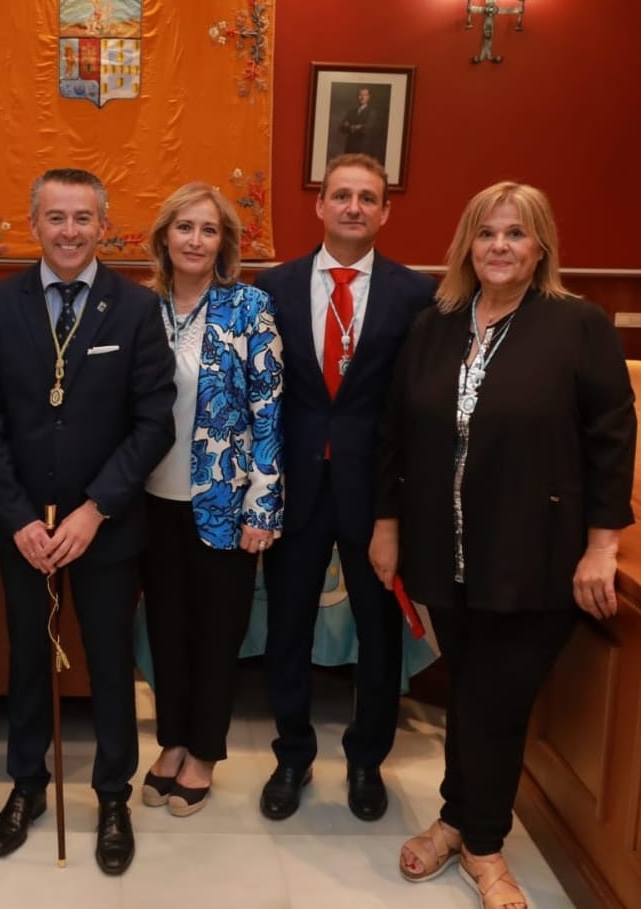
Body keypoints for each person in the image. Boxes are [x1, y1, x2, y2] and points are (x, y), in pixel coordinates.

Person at [370, 182, 635, 909]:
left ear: (540, 246)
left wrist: (603, 547)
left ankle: (483, 846)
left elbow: (612, 440)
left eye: (516, 233)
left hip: (535, 554)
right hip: (446, 553)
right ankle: (458, 820)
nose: (499, 246)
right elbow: (395, 432)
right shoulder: (435, 324)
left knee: (496, 700)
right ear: (467, 245)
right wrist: (387, 525)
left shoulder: (577, 325)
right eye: (486, 233)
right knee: (471, 691)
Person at [0, 168, 176, 876]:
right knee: (28, 658)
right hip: (24, 526)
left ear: (103, 226)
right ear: (34, 223)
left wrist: (95, 509)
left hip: (104, 526)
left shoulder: (135, 308)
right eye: (55, 217)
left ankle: (112, 795)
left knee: (111, 663)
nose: (69, 231)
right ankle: (26, 784)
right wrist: (18, 518)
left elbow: (154, 423)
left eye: (82, 217)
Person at [255, 153, 436, 823]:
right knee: (287, 627)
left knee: (379, 635)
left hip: (378, 493)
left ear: (385, 211)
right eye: (341, 195)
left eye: (367, 197)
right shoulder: (272, 286)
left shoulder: (416, 295)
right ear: (320, 205)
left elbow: (415, 404)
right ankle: (292, 753)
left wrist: (400, 504)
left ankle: (367, 759)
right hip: (294, 486)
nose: (353, 206)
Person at [138, 183, 284, 817]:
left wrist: (262, 506)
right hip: (149, 500)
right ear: (164, 237)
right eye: (184, 227)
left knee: (217, 633)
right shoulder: (141, 308)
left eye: (208, 229)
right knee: (166, 630)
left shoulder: (249, 306)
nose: (195, 240)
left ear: (223, 242)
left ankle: (203, 752)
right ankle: (172, 740)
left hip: (225, 502)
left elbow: (269, 409)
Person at [337, 87, 385, 161]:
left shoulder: (372, 112)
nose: (362, 97)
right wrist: (356, 127)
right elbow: (341, 128)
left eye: (365, 95)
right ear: (358, 96)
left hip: (362, 148)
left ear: (368, 97)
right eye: (360, 95)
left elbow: (365, 130)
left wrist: (350, 126)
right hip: (349, 147)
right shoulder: (351, 111)